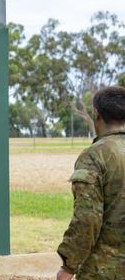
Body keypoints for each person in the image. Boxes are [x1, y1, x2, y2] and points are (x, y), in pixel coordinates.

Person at [56, 86, 125, 280]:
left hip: (105, 270)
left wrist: (69, 267)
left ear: (97, 115)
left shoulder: (94, 156)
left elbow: (88, 220)